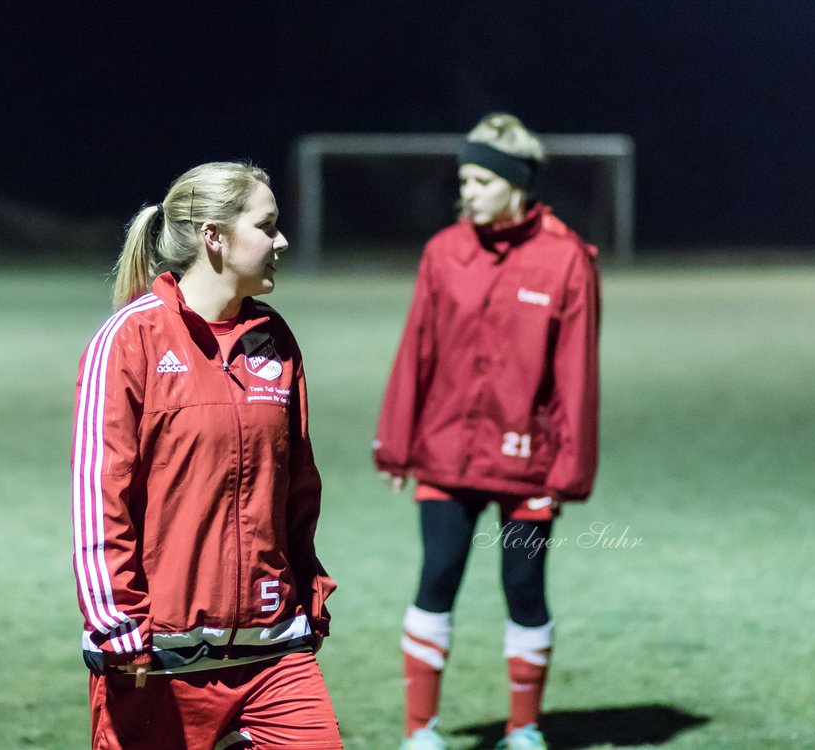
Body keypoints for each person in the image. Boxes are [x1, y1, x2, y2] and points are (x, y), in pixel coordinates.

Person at [71, 162, 342, 750]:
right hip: (156, 656)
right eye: (266, 226)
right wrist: (117, 624)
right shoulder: (129, 339)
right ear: (215, 237)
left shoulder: (274, 338)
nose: (282, 242)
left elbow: (297, 486)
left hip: (274, 651)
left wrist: (307, 588)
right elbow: (101, 495)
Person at [373, 114, 601, 750]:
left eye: (479, 180)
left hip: (530, 463)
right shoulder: (444, 250)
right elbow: (415, 348)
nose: (466, 192)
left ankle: (524, 731)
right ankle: (421, 731)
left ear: (515, 183)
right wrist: (396, 444)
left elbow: (576, 375)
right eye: (463, 180)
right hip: (446, 455)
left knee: (524, 586)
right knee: (437, 576)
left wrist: (568, 471)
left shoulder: (567, 260)